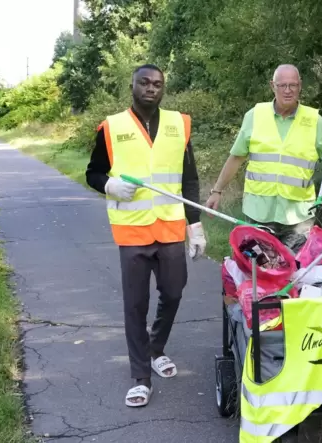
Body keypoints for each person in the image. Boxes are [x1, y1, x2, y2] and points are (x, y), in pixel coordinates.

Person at [85, 64, 207, 407]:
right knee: (135, 305)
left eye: (157, 84)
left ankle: (156, 348)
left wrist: (194, 225)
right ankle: (141, 377)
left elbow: (190, 180)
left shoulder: (178, 124)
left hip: (169, 226)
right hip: (132, 230)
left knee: (174, 292)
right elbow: (92, 172)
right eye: (145, 82)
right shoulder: (111, 127)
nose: (151, 88)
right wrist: (109, 185)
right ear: (132, 86)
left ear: (163, 89)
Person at [205, 64, 322, 252]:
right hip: (258, 213)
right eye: (282, 85)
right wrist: (217, 190)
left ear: (300, 86)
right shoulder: (254, 116)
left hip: (298, 216)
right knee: (258, 271)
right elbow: (236, 157)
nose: (288, 91)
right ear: (273, 86)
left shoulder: (314, 120)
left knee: (294, 273)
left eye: (293, 85)